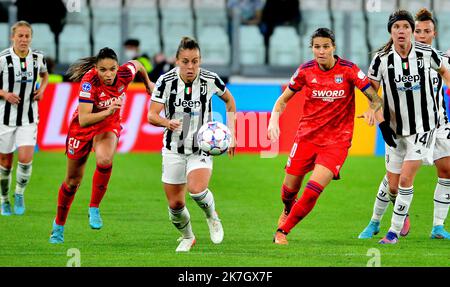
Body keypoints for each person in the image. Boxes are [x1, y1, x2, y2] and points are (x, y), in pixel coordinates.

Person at [270, 27, 391, 245]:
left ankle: (282, 232)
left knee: (313, 190)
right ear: (312, 49)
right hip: (306, 138)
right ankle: (288, 208)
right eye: (317, 47)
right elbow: (282, 100)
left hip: (337, 141)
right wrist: (272, 121)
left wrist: (373, 109)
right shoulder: (305, 71)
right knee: (288, 191)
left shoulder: (349, 70)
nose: (321, 51)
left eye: (326, 46)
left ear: (333, 47)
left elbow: (375, 97)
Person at [358, 8, 450, 241]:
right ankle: (376, 221)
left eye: (407, 27)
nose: (404, 31)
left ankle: (396, 231)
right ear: (390, 31)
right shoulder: (381, 59)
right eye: (398, 27)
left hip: (427, 126)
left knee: (414, 178)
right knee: (393, 184)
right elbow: (372, 92)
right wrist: (376, 115)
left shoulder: (430, 54)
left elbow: (445, 72)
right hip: (395, 127)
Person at [49, 47, 154, 243]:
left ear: (117, 67)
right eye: (103, 70)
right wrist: (107, 111)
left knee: (105, 160)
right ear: (96, 69)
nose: (108, 74)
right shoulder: (89, 82)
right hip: (83, 128)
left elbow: (138, 65)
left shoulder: (124, 73)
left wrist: (148, 84)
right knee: (72, 182)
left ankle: (94, 207)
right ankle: (58, 226)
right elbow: (84, 119)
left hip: (107, 125)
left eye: (112, 69)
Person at [147, 37, 236, 252]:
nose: (191, 67)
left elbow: (230, 101)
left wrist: (232, 133)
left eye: (195, 61)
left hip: (201, 147)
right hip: (173, 149)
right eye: (185, 61)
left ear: (200, 60)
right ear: (177, 61)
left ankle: (212, 216)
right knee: (175, 206)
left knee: (197, 190)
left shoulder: (210, 79)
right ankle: (188, 236)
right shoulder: (165, 81)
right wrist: (167, 123)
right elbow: (152, 115)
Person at [0, 21, 49, 216]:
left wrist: (42, 90)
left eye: (27, 36)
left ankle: (19, 194)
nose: (23, 39)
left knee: (26, 160)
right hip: (4, 118)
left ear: (31, 37)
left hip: (29, 117)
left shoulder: (38, 58)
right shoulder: (3, 58)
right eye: (20, 36)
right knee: (5, 163)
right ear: (13, 37)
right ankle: (4, 199)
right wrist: (5, 94)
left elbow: (45, 76)